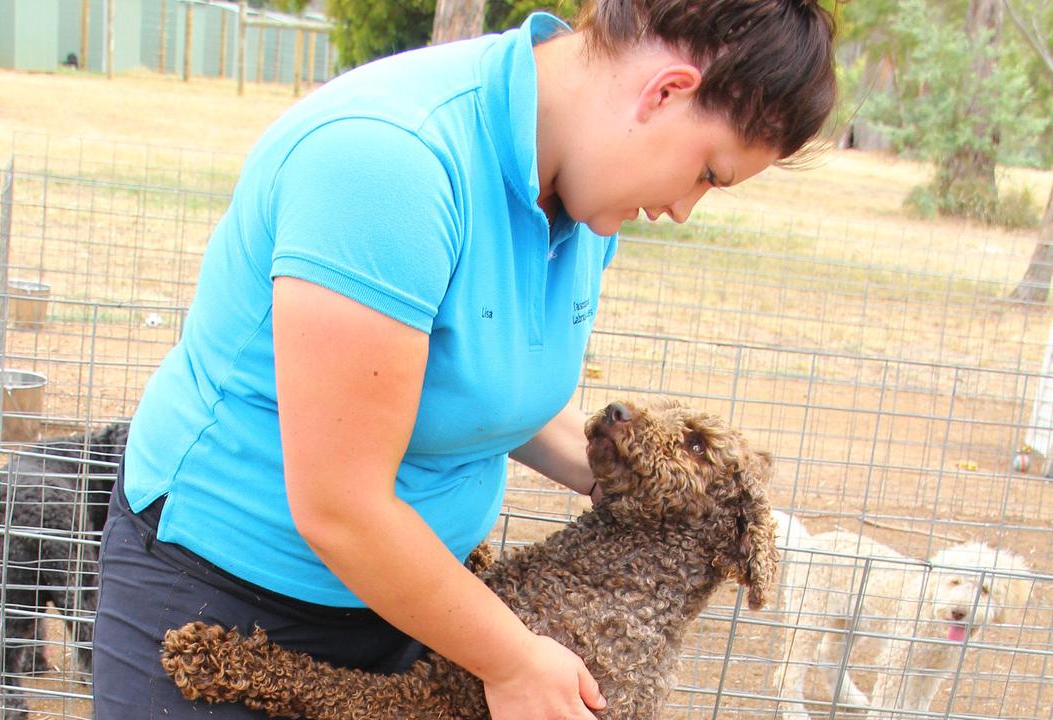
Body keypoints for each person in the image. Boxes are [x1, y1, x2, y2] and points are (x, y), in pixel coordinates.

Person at [92, 1, 838, 717]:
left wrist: (656, 486)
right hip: (230, 589)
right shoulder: (390, 162)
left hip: (425, 608)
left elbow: (487, 388)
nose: (684, 208)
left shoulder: (582, 193)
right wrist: (512, 661)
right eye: (708, 171)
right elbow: (340, 504)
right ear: (664, 93)